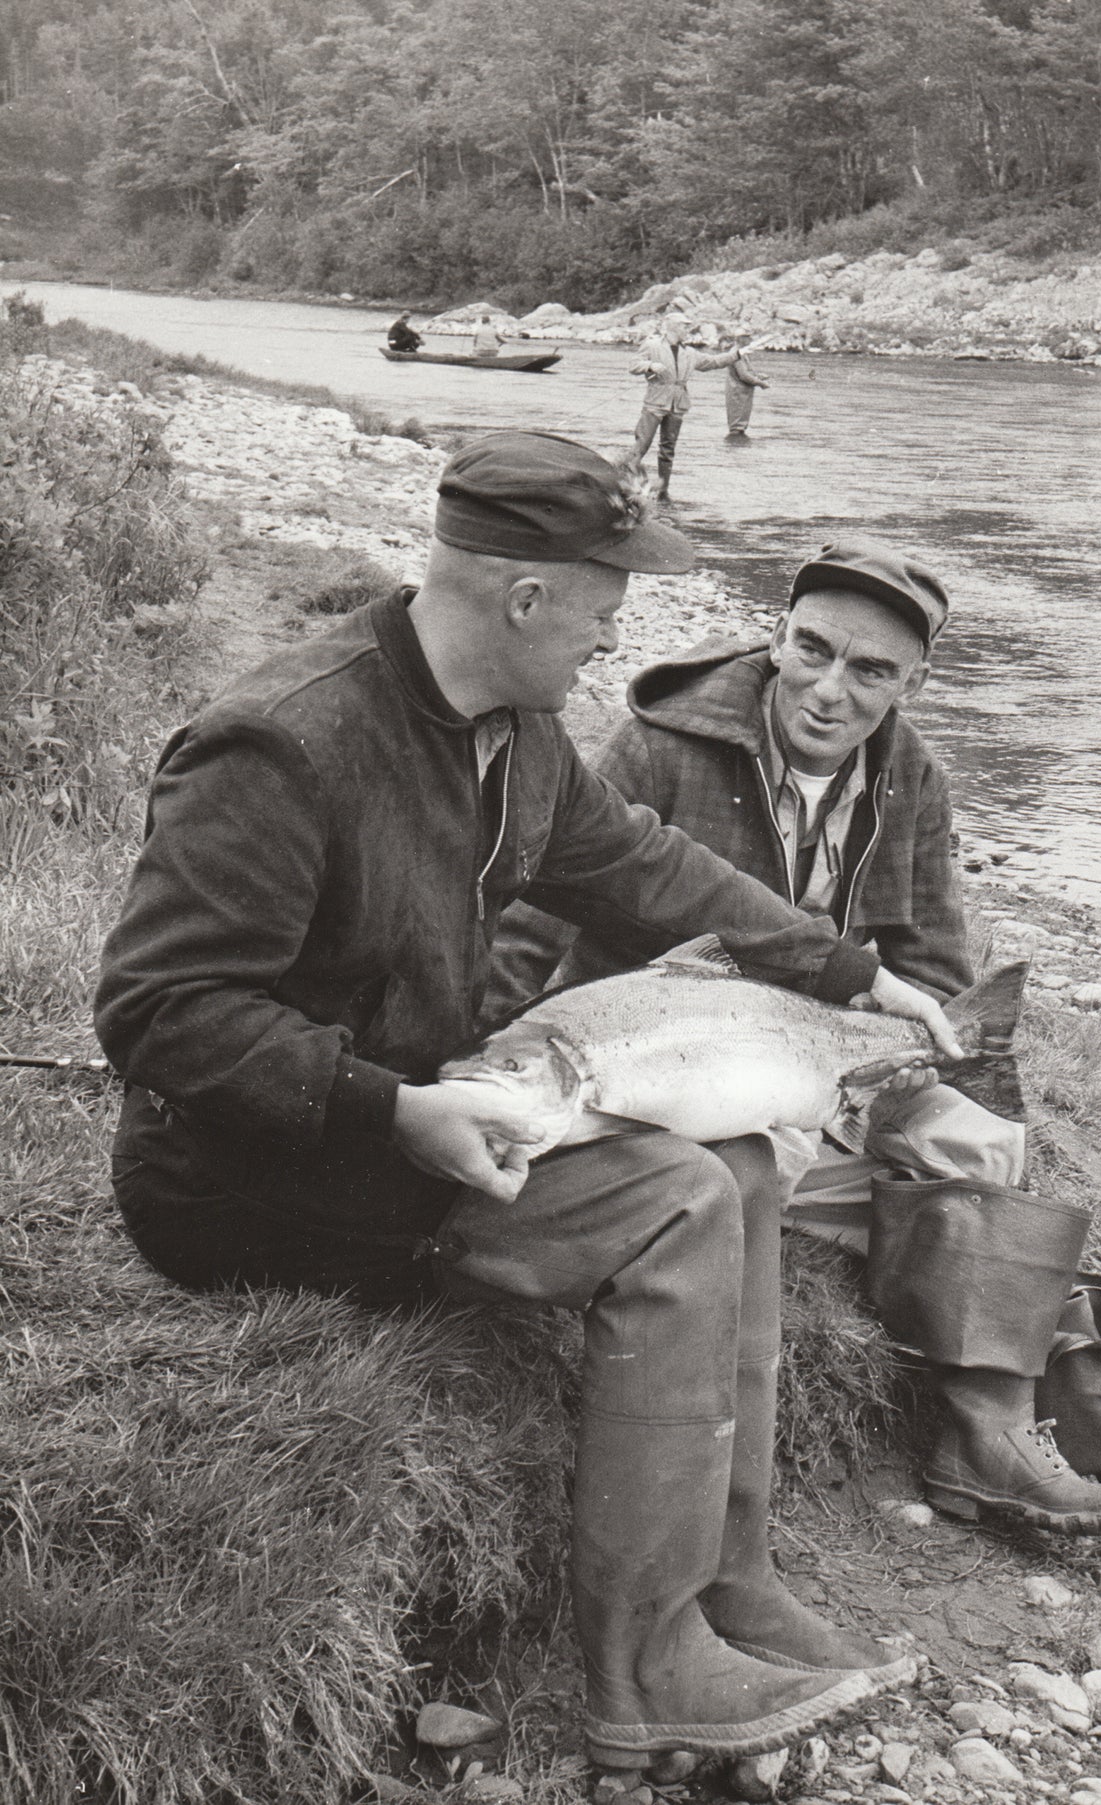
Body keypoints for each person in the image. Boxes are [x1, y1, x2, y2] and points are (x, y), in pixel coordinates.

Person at [92, 438, 974, 1764]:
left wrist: (850, 972)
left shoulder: (516, 733)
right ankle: (647, 1670)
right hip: (249, 1183)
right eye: (606, 609)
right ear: (521, 600)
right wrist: (393, 1108)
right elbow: (160, 1014)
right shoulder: (280, 745)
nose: (612, 643)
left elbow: (650, 871)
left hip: (426, 1123)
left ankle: (726, 1569)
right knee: (677, 1200)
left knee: (735, 1165)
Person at [490, 538, 1101, 1551]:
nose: (829, 689)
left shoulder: (907, 770)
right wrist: (480, 1070)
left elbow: (929, 961)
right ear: (778, 634)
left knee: (979, 1150)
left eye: (869, 670)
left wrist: (933, 1060)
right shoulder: (661, 743)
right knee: (936, 1207)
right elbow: (528, 919)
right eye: (811, 648)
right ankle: (1072, 1450)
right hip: (671, 1089)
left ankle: (1064, 1447)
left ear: (912, 683)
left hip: (823, 1067)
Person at [631, 314, 741, 499]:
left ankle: (663, 491)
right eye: (684, 326)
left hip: (678, 405)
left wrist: (736, 355)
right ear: (672, 327)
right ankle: (630, 487)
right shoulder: (652, 345)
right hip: (654, 403)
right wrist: (650, 365)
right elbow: (633, 365)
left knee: (668, 449)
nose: (687, 330)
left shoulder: (689, 352)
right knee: (641, 445)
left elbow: (712, 362)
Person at [724, 336, 769, 438]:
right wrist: (760, 383)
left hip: (742, 393)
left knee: (740, 425)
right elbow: (743, 375)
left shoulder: (741, 352)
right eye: (748, 337)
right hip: (737, 393)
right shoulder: (736, 353)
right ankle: (736, 448)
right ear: (740, 339)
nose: (751, 340)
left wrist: (758, 376)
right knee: (737, 426)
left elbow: (747, 372)